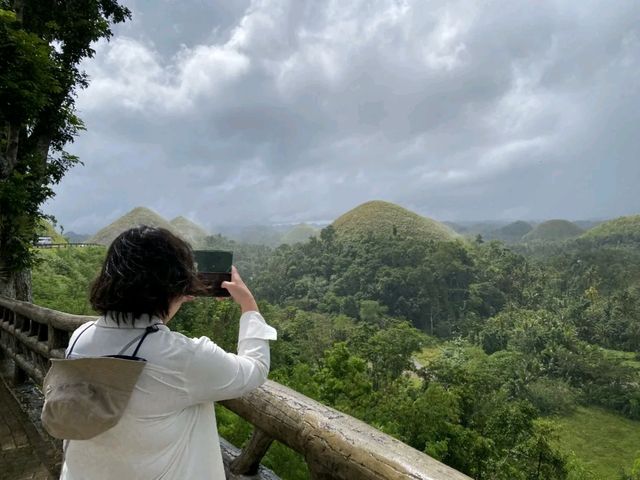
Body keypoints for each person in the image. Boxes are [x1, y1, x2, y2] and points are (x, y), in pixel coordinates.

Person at [59, 225, 277, 479]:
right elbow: (255, 370)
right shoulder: (180, 358)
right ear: (174, 285)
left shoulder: (80, 337)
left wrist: (169, 299)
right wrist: (249, 305)